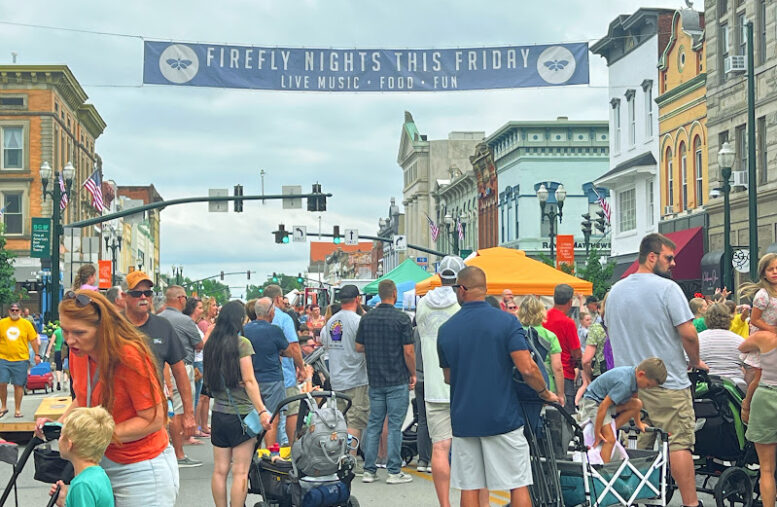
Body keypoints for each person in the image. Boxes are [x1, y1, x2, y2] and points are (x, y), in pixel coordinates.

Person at [38, 289, 178, 506]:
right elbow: (84, 400)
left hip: (140, 466)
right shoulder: (80, 353)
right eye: (65, 331)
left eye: (79, 332)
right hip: (100, 462)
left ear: (102, 328)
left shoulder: (129, 355)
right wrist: (60, 422)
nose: (70, 340)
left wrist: (96, 435)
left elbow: (154, 418)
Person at [438, 266, 558, 507]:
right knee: (517, 483)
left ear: (462, 290)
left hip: (465, 419)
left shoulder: (446, 330)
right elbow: (527, 368)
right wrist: (545, 393)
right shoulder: (506, 322)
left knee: (470, 486)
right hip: (502, 416)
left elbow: (449, 377)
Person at [605, 233, 707, 507]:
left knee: (636, 447)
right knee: (678, 444)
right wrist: (695, 361)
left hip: (629, 384)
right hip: (667, 383)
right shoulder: (667, 289)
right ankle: (691, 504)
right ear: (652, 257)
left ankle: (633, 500)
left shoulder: (615, 292)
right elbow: (688, 333)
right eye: (669, 258)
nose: (674, 264)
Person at [121, 271, 199, 468]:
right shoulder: (114, 326)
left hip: (154, 408)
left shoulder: (162, 326)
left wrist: (189, 414)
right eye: (137, 293)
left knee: (154, 464)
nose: (143, 297)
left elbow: (180, 371)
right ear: (124, 297)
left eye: (147, 293)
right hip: (121, 410)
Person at [203, 301, 272, 507]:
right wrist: (262, 410)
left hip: (218, 414)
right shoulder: (242, 343)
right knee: (240, 472)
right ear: (239, 319)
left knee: (220, 470)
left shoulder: (211, 344)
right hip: (241, 415)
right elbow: (249, 380)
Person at [414, 255, 467, 505]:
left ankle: (444, 503)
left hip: (433, 385)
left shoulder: (422, 304)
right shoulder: (461, 306)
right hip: (461, 385)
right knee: (468, 449)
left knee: (439, 448)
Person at [357, 279, 415, 485]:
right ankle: (393, 470)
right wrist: (413, 373)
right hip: (397, 377)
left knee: (374, 424)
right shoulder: (402, 319)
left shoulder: (367, 318)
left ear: (379, 295)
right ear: (395, 294)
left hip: (375, 378)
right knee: (394, 426)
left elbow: (358, 346)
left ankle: (369, 470)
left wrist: (374, 347)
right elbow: (408, 351)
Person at [320, 284, 369, 473]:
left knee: (340, 422)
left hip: (337, 378)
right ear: (357, 299)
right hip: (356, 377)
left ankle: (338, 457)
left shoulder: (331, 322)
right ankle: (350, 460)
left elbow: (324, 342)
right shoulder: (358, 321)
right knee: (355, 421)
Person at [580, 358, 667, 463]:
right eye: (648, 385)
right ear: (641, 374)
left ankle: (610, 427)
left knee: (637, 404)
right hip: (594, 402)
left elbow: (635, 399)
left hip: (606, 404)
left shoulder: (634, 376)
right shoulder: (625, 383)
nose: (647, 388)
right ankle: (604, 471)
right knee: (610, 440)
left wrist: (638, 423)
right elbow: (603, 406)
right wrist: (597, 432)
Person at [243, 297, 299, 446]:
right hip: (273, 379)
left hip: (251, 379)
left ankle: (253, 453)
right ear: (270, 313)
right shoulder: (274, 330)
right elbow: (288, 352)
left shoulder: (244, 330)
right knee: (273, 418)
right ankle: (270, 454)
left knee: (253, 416)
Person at [159, 287, 205, 452]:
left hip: (161, 366)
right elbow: (199, 345)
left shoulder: (158, 318)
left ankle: (169, 444)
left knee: (168, 406)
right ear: (180, 299)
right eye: (185, 298)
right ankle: (179, 451)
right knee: (179, 409)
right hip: (181, 366)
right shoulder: (185, 320)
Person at [49, 406, 115, 507]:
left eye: (61, 435)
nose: (59, 439)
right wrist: (64, 503)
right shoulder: (99, 474)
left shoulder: (81, 485)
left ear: (69, 445)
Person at [263, 284, 305, 443]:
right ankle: (291, 448)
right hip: (285, 375)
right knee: (291, 411)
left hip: (261, 376)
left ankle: (267, 450)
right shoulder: (284, 318)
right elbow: (294, 346)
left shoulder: (256, 317)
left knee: (268, 415)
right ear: (278, 299)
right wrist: (301, 367)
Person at [518, 295, 565, 406]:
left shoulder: (515, 333)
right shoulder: (550, 336)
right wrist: (560, 394)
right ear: (541, 312)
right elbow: (557, 368)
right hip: (545, 385)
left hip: (521, 385)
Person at [543, 283, 581, 413]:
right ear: (570, 302)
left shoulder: (543, 318)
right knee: (566, 415)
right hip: (564, 372)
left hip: (545, 371)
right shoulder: (568, 323)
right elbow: (575, 351)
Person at [0, 302, 40, 418]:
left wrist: (37, 355)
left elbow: (33, 340)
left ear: (21, 312)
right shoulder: (2, 323)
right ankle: (3, 406)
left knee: (18, 385)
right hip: (3, 358)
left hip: (21, 359)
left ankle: (17, 409)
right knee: (2, 382)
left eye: (17, 310)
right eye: (12, 310)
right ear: (9, 311)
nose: (14, 312)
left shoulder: (26, 324)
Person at [698, 303, 746, 386]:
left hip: (706, 387)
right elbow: (751, 370)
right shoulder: (740, 341)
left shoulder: (697, 340)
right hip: (736, 388)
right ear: (729, 318)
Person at [182, 297, 206, 439]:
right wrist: (208, 333)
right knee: (194, 397)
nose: (202, 311)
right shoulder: (191, 324)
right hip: (195, 362)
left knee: (196, 396)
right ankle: (193, 429)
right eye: (200, 308)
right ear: (193, 309)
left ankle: (195, 427)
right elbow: (199, 345)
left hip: (197, 361)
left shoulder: (193, 324)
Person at [581, 292, 611, 394]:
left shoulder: (596, 329)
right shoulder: (624, 326)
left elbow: (586, 360)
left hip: (602, 373)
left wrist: (588, 377)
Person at [45, 323, 68, 391]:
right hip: (66, 351)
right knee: (66, 367)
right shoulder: (67, 332)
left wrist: (48, 351)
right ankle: (65, 381)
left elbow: (51, 342)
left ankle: (58, 381)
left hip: (58, 351)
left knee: (58, 367)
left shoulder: (56, 332)